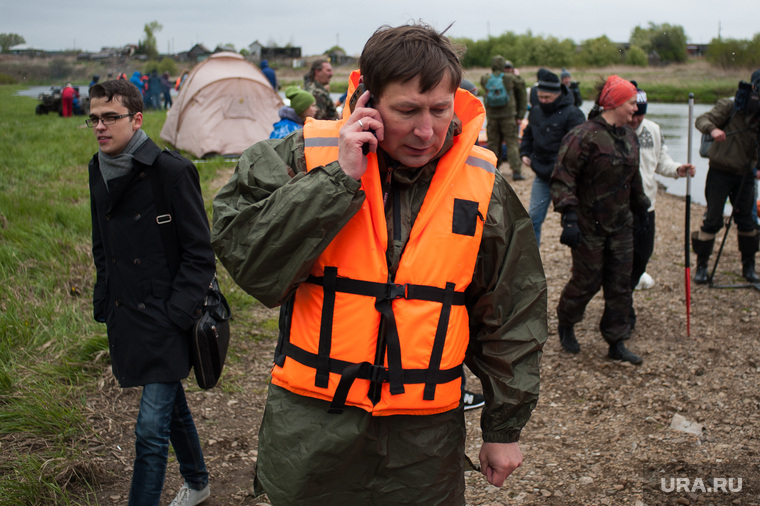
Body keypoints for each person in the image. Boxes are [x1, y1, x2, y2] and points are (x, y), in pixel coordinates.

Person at [212, 23, 547, 504]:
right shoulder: (306, 155)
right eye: (407, 111)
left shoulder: (483, 187)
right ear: (369, 101)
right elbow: (250, 262)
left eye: (440, 109)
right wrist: (337, 180)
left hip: (424, 438)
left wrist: (504, 426)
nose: (426, 131)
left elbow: (513, 313)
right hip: (312, 424)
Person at [86, 79, 215, 506]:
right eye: (94, 119)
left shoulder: (171, 172)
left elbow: (200, 254)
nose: (101, 127)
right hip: (127, 314)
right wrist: (105, 302)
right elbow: (101, 245)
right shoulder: (97, 169)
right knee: (169, 408)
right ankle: (197, 484)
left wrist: (177, 313)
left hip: (166, 316)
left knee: (149, 428)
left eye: (110, 117)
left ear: (137, 119)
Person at [551, 75, 650, 365]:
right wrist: (568, 217)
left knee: (620, 284)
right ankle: (566, 321)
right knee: (587, 281)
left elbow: (634, 178)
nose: (636, 109)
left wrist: (641, 209)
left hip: (621, 225)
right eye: (632, 103)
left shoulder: (630, 137)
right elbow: (562, 177)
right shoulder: (583, 136)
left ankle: (616, 340)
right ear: (615, 103)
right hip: (588, 225)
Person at [626, 83, 695, 327]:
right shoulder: (615, 128)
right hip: (620, 208)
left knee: (642, 256)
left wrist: (678, 169)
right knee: (622, 258)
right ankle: (624, 306)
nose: (635, 120)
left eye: (640, 115)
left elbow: (661, 161)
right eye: (632, 114)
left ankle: (627, 292)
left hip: (648, 206)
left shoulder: (653, 130)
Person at [692, 71, 760, 284]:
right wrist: (712, 131)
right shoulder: (730, 105)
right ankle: (701, 267)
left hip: (746, 174)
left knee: (748, 222)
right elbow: (702, 119)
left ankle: (749, 268)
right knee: (712, 220)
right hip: (719, 172)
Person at [520, 70, 585, 246]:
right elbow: (527, 135)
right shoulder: (535, 111)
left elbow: (580, 148)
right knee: (533, 218)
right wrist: (524, 152)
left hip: (567, 179)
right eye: (540, 97)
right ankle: (532, 262)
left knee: (574, 221)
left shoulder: (574, 114)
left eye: (547, 98)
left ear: (558, 94)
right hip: (541, 174)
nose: (542, 101)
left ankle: (579, 261)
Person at [480, 56, 527, 180]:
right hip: (508, 116)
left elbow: (483, 85)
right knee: (512, 143)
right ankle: (516, 171)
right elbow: (522, 86)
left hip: (492, 117)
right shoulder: (510, 78)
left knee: (493, 144)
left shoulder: (486, 79)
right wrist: (517, 75)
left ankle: (493, 170)